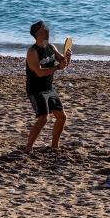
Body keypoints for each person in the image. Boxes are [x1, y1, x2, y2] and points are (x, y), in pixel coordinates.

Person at [24, 20, 71, 153]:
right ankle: (28, 148)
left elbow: (63, 63)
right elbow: (39, 72)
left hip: (49, 88)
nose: (47, 30)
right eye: (44, 29)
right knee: (43, 118)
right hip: (35, 89)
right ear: (37, 34)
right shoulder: (32, 52)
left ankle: (54, 146)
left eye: (47, 28)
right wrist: (57, 67)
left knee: (62, 117)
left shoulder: (51, 47)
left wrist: (67, 59)